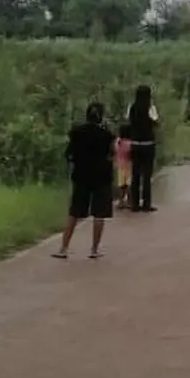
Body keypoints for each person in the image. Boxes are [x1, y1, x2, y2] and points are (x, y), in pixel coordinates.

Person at [52, 102, 116, 260]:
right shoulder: (107, 135)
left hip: (81, 176)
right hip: (101, 177)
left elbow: (69, 155)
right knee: (99, 213)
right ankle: (94, 250)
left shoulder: (76, 132)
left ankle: (63, 248)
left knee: (74, 212)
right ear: (101, 116)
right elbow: (112, 154)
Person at [127, 85, 159, 212]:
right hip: (148, 143)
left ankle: (134, 204)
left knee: (135, 174)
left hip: (135, 143)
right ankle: (146, 204)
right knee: (147, 175)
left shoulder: (132, 107)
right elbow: (155, 121)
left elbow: (129, 121)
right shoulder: (150, 108)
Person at [115, 124, 132, 209]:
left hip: (120, 165)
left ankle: (121, 201)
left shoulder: (118, 142)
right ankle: (129, 201)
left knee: (121, 184)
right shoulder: (130, 143)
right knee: (129, 184)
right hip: (129, 165)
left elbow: (115, 151)